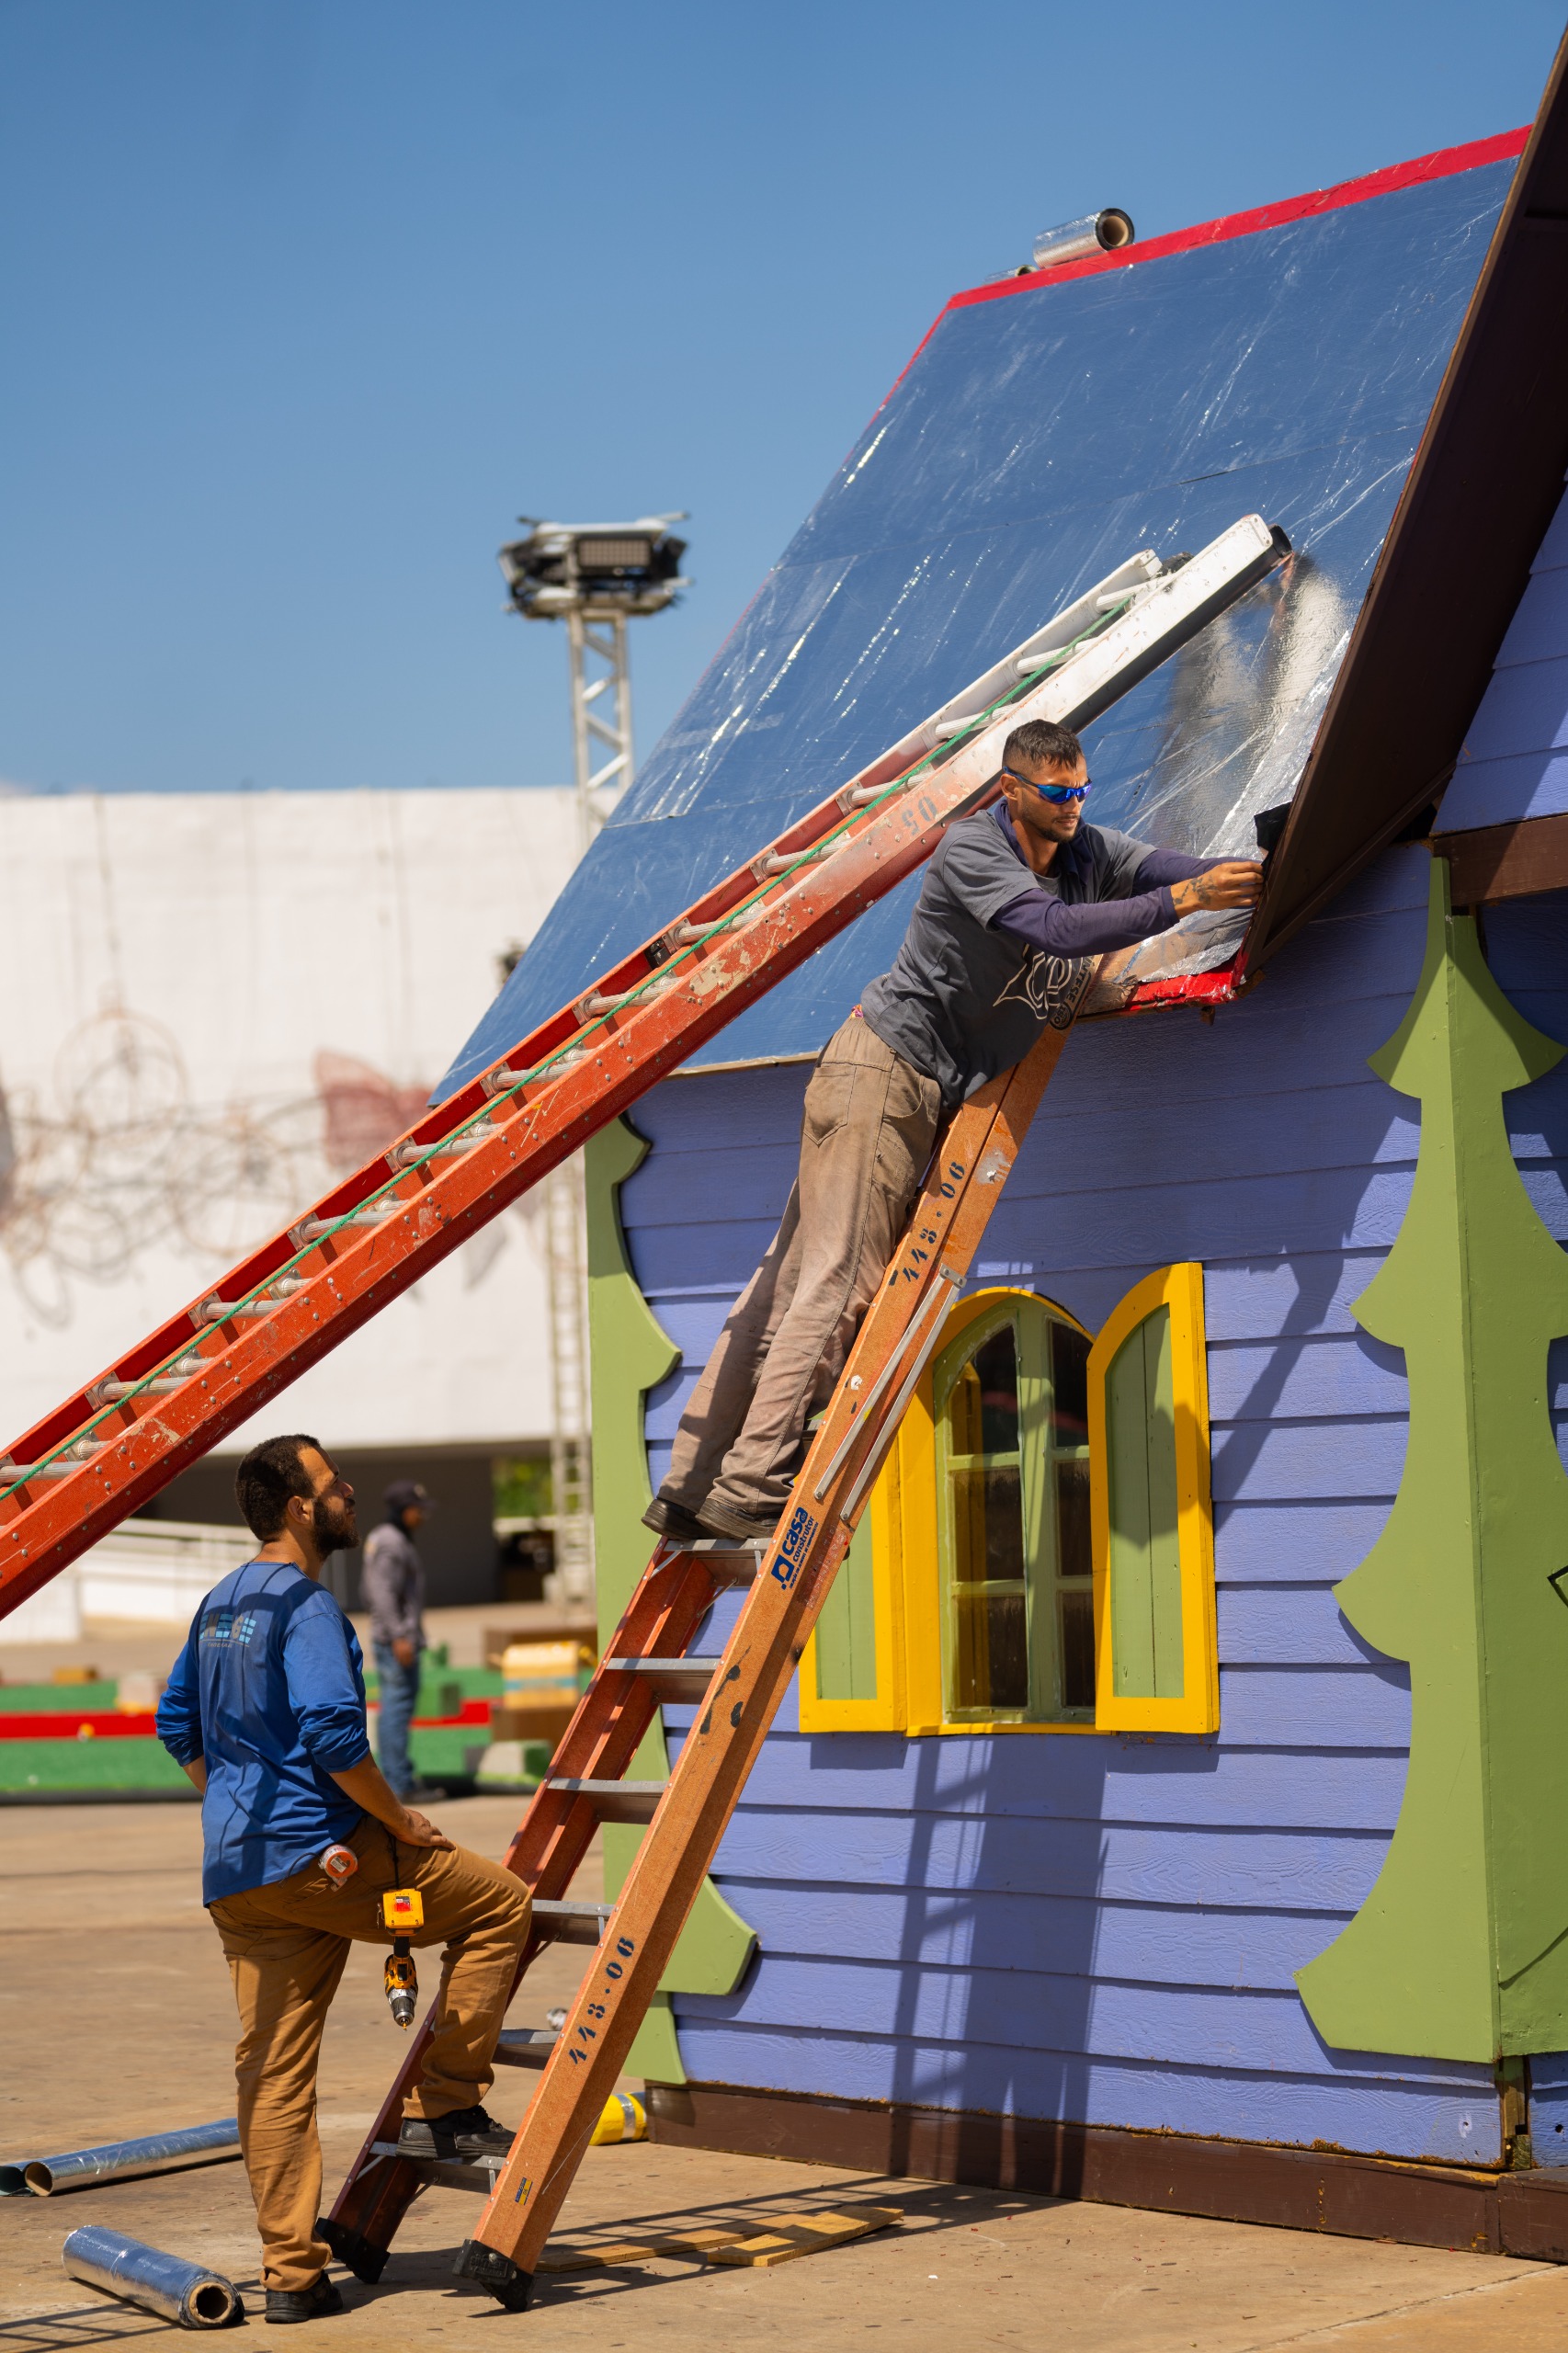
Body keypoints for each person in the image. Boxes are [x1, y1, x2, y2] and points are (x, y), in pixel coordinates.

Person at [645, 718, 1262, 1542]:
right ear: (1012, 790)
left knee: (792, 1283)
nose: (1074, 807)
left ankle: (690, 1487)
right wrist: (1184, 902)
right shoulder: (975, 852)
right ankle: (750, 1483)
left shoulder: (1087, 851)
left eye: (1081, 791)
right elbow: (1057, 931)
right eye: (1056, 795)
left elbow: (1165, 867)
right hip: (885, 1074)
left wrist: (1246, 877)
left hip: (886, 1081)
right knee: (838, 1284)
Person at [155, 1435, 530, 2324]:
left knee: (274, 2074)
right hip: (327, 1858)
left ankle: (292, 2276)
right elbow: (333, 1736)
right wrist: (398, 1821)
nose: (349, 1492)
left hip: (240, 1875)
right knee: (498, 1904)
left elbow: (178, 1725)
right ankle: (449, 2100)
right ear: (298, 1509)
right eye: (332, 1484)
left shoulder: (219, 1604)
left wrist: (234, 1807)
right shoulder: (307, 1608)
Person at [361, 1478, 432, 1802]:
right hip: (395, 1641)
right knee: (396, 1708)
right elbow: (381, 1592)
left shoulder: (388, 1538)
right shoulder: (390, 1542)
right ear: (404, 1510)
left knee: (396, 1707)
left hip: (395, 1638)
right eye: (418, 1510)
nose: (422, 1517)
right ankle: (399, 1783)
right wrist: (399, 1636)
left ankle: (398, 1778)